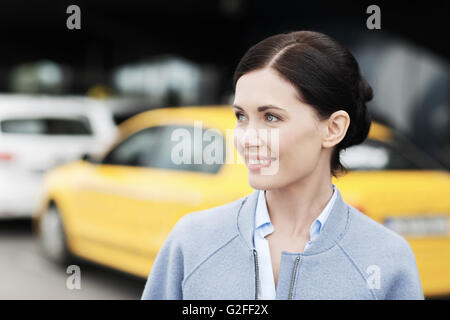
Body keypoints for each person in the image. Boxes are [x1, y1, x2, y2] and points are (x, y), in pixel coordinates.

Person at [141, 30, 424, 300]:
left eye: (271, 118)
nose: (247, 138)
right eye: (241, 116)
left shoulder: (388, 257)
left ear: (333, 129)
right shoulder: (191, 241)